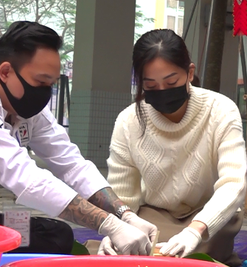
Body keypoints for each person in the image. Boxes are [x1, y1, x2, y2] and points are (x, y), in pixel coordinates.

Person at [0, 21, 156, 255]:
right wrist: (109, 225)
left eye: (51, 85)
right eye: (40, 82)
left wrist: (124, 214)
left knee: (57, 235)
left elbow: (72, 165)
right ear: (5, 72)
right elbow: (27, 179)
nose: (44, 93)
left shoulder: (31, 114)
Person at [99, 29, 246, 265]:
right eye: (151, 86)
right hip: (155, 216)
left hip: (208, 216)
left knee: (192, 251)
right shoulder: (129, 121)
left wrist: (195, 230)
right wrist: (115, 228)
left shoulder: (221, 110)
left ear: (189, 72)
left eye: (171, 82)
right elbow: (122, 193)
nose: (162, 92)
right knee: (127, 247)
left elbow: (233, 184)